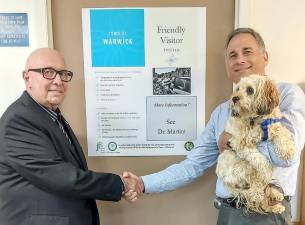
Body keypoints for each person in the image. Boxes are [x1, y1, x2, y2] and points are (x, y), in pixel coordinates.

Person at [123, 28, 305, 225]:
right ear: (227, 65)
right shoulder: (222, 112)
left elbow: (286, 156)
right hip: (227, 212)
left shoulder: (286, 95)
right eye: (232, 55)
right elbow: (193, 165)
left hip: (266, 213)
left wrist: (234, 143)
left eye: (247, 51)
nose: (240, 59)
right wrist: (143, 183)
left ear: (265, 56)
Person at [0, 48, 137, 225]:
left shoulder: (50, 115)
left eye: (63, 74)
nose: (58, 81)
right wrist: (120, 185)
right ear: (27, 78)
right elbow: (62, 177)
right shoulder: (18, 120)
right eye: (48, 72)